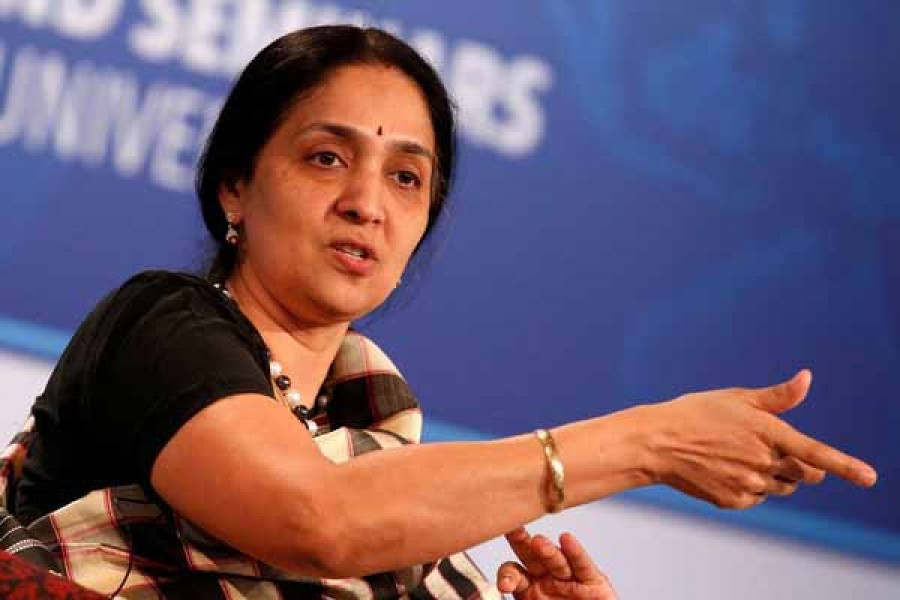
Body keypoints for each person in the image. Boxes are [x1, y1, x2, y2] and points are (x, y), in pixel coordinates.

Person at [6, 25, 875, 599]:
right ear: (235, 184)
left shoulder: (394, 473)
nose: (366, 203)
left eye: (406, 178)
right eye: (323, 157)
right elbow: (318, 521)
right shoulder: (160, 325)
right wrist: (648, 442)